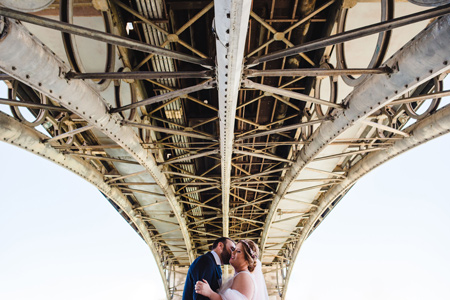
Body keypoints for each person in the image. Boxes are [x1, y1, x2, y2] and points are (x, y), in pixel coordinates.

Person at [195, 239, 269, 300]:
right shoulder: (240, 276)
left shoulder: (244, 276)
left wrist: (210, 293)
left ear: (247, 260)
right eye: (234, 249)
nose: (233, 252)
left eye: (238, 251)